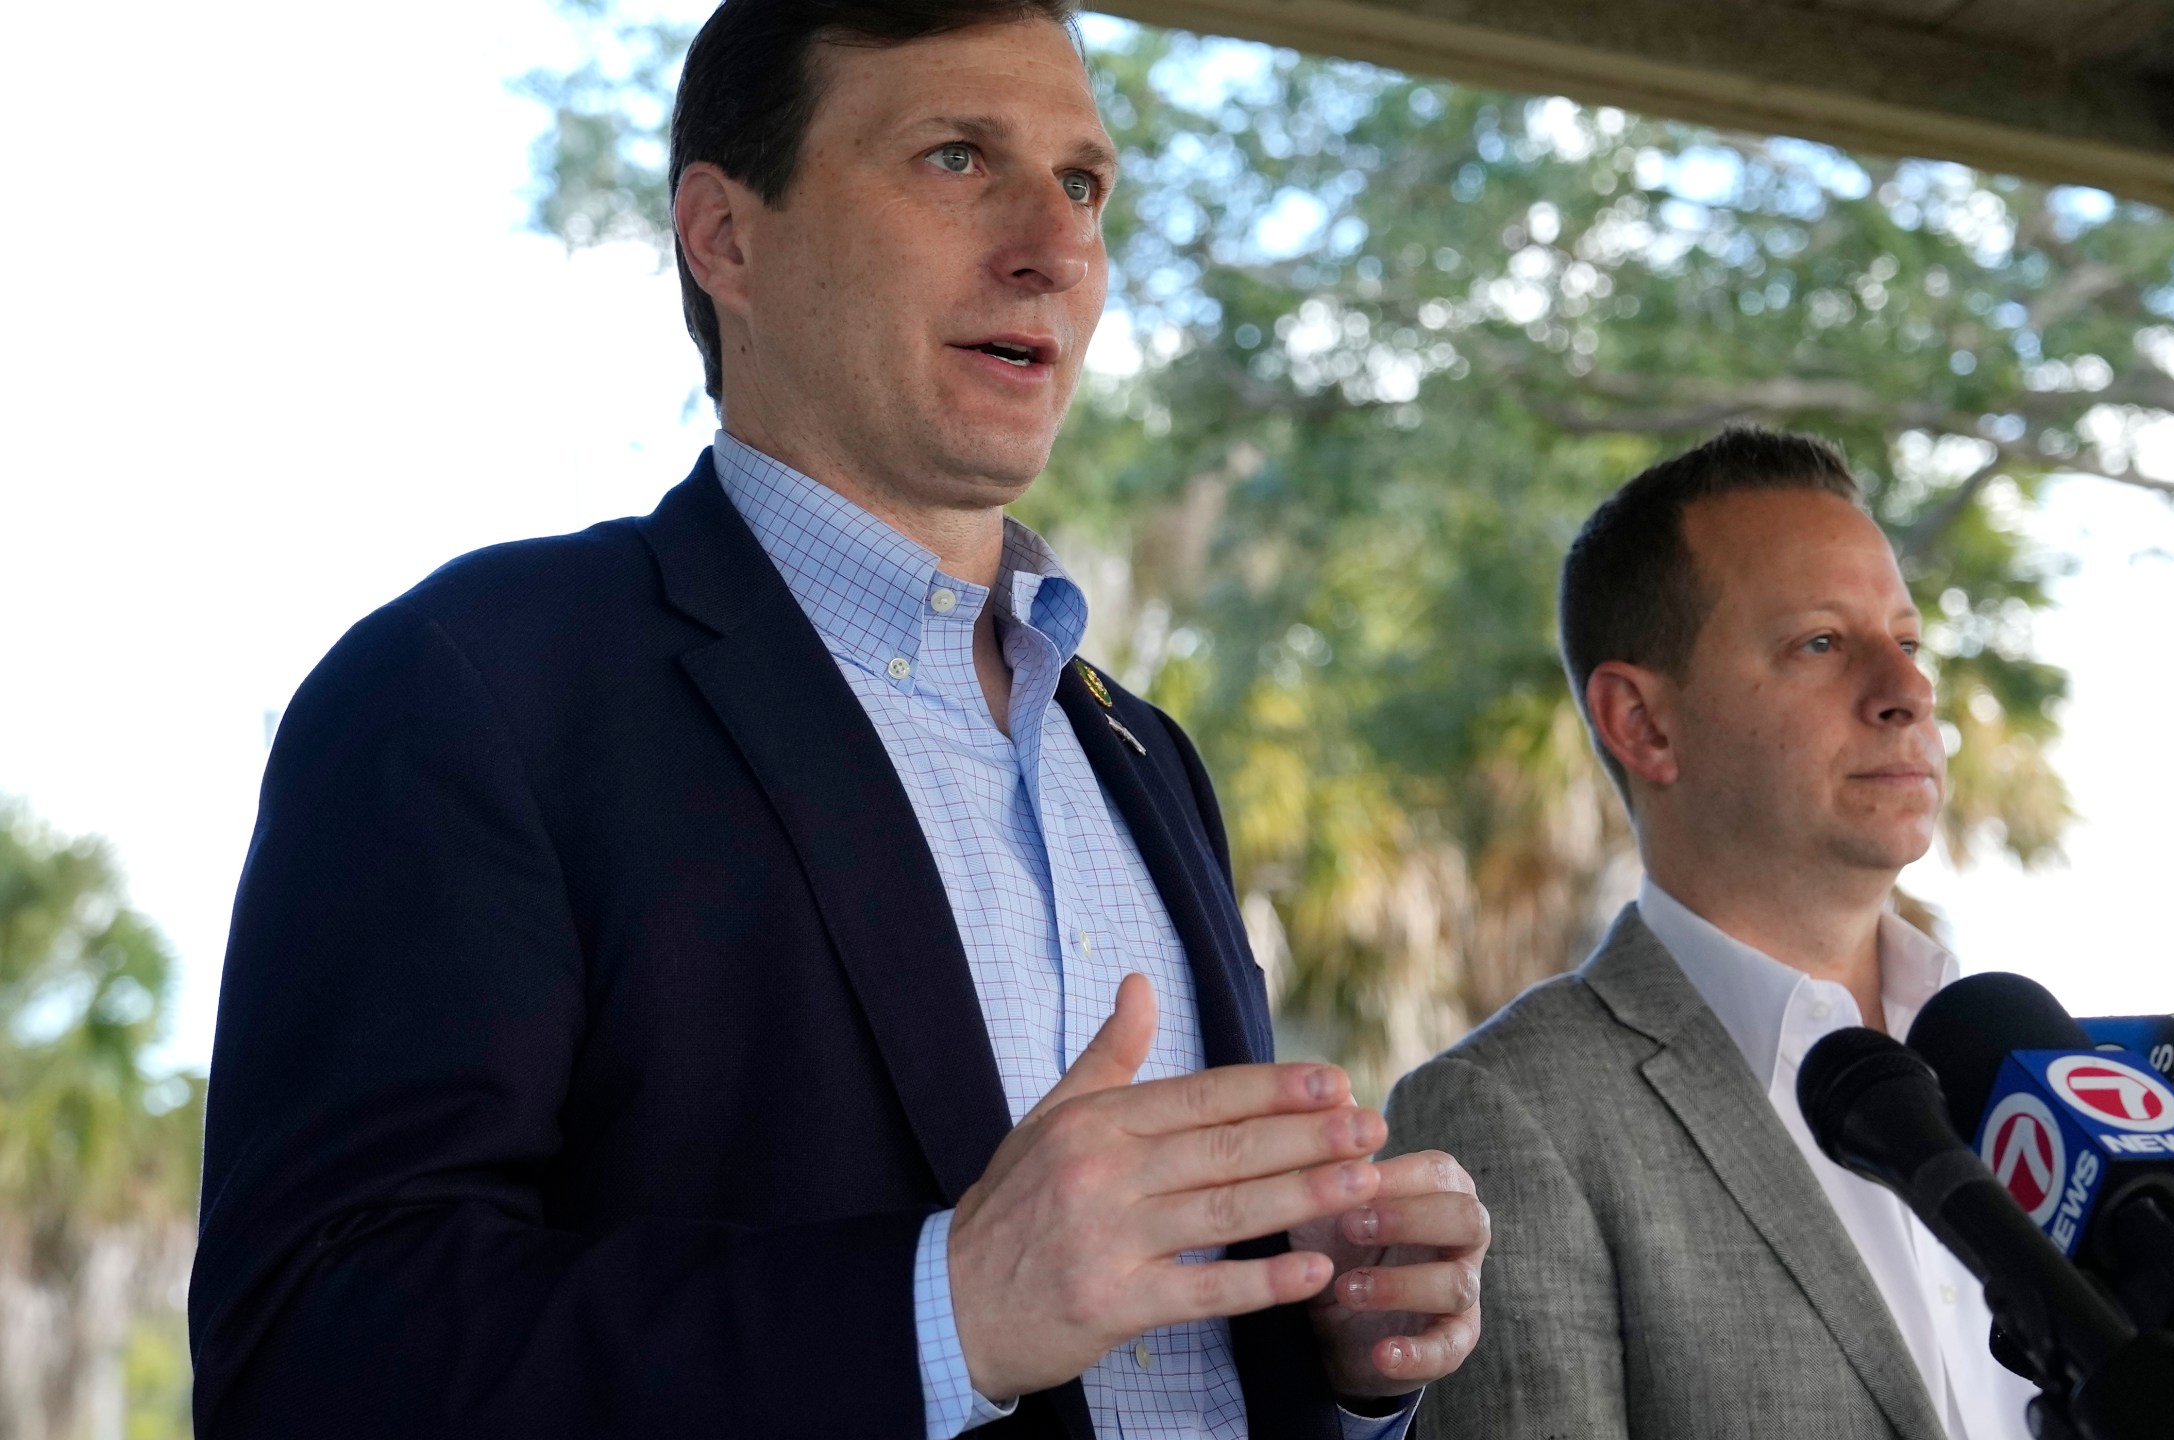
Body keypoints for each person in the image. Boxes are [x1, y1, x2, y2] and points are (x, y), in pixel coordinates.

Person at [188, 3, 1486, 1435]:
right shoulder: (469, 685)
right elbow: (312, 1359)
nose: (1053, 249)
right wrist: (942, 1309)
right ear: (726, 239)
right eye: (951, 158)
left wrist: (1339, 1356)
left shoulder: (1140, 754)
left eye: (1082, 184)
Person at [1381, 427, 2038, 1439]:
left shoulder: (2027, 1066)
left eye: (1906, 643)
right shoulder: (1507, 1115)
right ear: (1643, 723)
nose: (1906, 694)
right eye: (1820, 643)